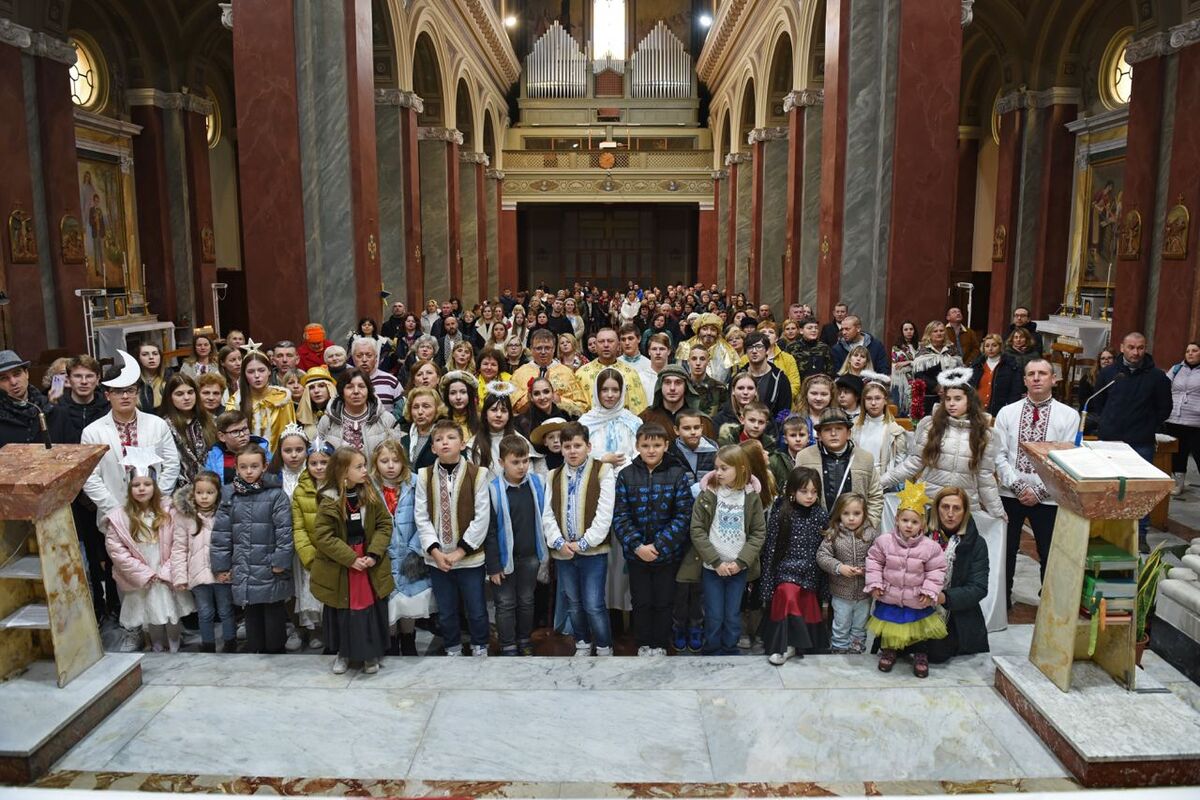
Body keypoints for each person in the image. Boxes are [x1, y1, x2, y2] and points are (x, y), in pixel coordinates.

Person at [993, 358, 1080, 608]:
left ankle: (1049, 604)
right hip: (1010, 494)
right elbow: (998, 454)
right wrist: (1019, 486)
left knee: (1050, 552)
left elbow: (1066, 458)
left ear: (1054, 379)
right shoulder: (1007, 412)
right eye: (1031, 374)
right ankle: (1002, 599)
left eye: (1043, 373)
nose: (1037, 378)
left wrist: (1041, 491)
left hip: (1049, 498)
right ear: (1024, 380)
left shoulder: (1068, 415)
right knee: (1006, 551)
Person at [308, 446, 393, 674]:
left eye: (364, 465)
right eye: (359, 467)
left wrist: (373, 554)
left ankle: (369, 654)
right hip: (343, 564)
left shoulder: (371, 493)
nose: (365, 470)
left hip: (368, 560)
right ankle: (343, 653)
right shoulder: (329, 500)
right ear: (343, 472)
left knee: (368, 610)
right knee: (344, 611)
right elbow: (324, 536)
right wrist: (350, 558)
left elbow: (385, 524)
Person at [612, 422, 695, 656]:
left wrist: (659, 546)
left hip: (667, 555)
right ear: (637, 446)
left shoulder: (676, 473)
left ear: (666, 446)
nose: (651, 450)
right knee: (641, 601)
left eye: (657, 445)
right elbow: (621, 516)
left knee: (664, 602)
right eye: (646, 445)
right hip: (637, 555)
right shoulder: (626, 475)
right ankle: (643, 643)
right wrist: (638, 546)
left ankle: (659, 643)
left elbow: (683, 515)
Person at [882, 369, 1005, 519]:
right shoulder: (931, 426)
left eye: (958, 399)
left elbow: (985, 478)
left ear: (970, 401)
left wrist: (997, 511)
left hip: (962, 506)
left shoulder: (984, 434)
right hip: (928, 502)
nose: (951, 403)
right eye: (947, 399)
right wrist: (881, 482)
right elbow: (913, 463)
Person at [415, 418, 492, 657]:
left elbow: (482, 517)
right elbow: (421, 516)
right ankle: (452, 648)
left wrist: (460, 551)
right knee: (446, 609)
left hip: (469, 558)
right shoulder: (423, 475)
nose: (445, 442)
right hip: (438, 560)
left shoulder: (477, 474)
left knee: (476, 608)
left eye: (451, 438)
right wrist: (436, 552)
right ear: (433, 448)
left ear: (462, 444)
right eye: (438, 440)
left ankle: (480, 646)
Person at [105, 448, 194, 652]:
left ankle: (174, 647)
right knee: (151, 612)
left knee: (170, 610)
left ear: (155, 486)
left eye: (147, 484)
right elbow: (117, 551)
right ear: (129, 488)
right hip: (143, 573)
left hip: (165, 570)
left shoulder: (169, 511)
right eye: (136, 485)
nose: (142, 489)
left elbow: (179, 543)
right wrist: (145, 574)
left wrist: (167, 570)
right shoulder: (119, 517)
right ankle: (156, 648)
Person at [82, 351, 181, 534]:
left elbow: (172, 464)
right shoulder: (92, 433)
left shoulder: (157, 424)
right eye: (118, 392)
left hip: (156, 512)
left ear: (138, 392)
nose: (125, 396)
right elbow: (90, 477)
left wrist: (156, 500)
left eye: (130, 390)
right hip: (114, 513)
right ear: (107, 395)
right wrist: (115, 510)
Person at [1090, 332, 1172, 549]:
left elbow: (1165, 408)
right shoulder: (1109, 373)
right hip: (1109, 440)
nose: (1136, 352)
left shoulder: (1157, 377)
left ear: (1145, 348)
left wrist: (1148, 424)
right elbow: (1099, 403)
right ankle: (1103, 529)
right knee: (1107, 487)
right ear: (1122, 347)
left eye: (1140, 347)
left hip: (1140, 442)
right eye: (1132, 347)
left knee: (1140, 490)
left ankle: (1140, 534)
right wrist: (1109, 422)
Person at [682, 444, 766, 655]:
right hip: (713, 568)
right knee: (714, 613)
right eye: (717, 467)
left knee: (732, 613)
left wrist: (740, 563)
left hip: (739, 569)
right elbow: (697, 530)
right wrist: (716, 562)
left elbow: (758, 533)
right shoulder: (708, 494)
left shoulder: (751, 497)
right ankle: (711, 650)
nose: (717, 472)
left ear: (741, 469)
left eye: (724, 468)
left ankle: (730, 649)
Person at [211, 443, 294, 654]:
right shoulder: (230, 496)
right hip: (243, 566)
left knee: (273, 610)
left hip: (269, 567)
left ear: (264, 466)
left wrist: (280, 561)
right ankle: (255, 649)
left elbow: (285, 532)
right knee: (251, 612)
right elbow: (221, 535)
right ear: (236, 468)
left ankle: (276, 651)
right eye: (244, 467)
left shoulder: (276, 495)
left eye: (254, 466)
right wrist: (221, 566)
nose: (249, 472)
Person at [545, 422, 616, 657]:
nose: (573, 451)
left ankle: (604, 646)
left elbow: (605, 514)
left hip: (593, 552)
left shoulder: (602, 471)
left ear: (588, 446)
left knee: (594, 603)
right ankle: (583, 642)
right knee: (573, 602)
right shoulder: (553, 476)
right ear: (561, 449)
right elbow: (547, 514)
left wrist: (584, 543)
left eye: (578, 445)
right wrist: (558, 542)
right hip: (563, 551)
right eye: (567, 446)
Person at [864, 480, 948, 678]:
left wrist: (930, 590)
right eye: (905, 520)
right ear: (897, 520)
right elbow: (874, 561)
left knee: (919, 631)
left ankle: (920, 654)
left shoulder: (930, 547)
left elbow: (936, 570)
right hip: (890, 596)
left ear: (923, 524)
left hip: (916, 599)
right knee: (890, 628)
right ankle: (889, 650)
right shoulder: (884, 542)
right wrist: (875, 582)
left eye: (914, 522)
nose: (909, 525)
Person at [484, 435, 556, 656]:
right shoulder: (494, 489)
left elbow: (545, 516)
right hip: (504, 559)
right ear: (501, 462)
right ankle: (508, 645)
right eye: (515, 462)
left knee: (526, 601)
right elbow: (490, 530)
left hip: (530, 557)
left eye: (525, 461)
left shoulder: (537, 483)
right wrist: (494, 566)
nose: (522, 466)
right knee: (505, 603)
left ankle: (524, 640)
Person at [757, 467, 830, 664]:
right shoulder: (782, 513)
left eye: (814, 492)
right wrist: (766, 588)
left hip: (810, 572)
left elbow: (824, 552)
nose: (809, 496)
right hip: (785, 570)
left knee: (804, 598)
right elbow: (771, 551)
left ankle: (800, 644)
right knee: (787, 595)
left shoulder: (821, 516)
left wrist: (824, 593)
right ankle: (784, 646)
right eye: (804, 491)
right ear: (792, 491)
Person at [920, 486, 992, 664]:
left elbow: (978, 588)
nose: (950, 514)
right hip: (915, 604)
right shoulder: (919, 533)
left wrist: (944, 597)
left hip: (952, 611)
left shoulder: (976, 543)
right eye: (945, 507)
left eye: (956, 508)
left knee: (937, 654)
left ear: (965, 512)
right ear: (936, 508)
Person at [171, 471, 234, 653]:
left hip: (221, 573)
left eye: (209, 492)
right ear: (193, 493)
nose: (204, 497)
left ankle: (230, 642)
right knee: (205, 612)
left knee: (225, 610)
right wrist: (180, 577)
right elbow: (179, 549)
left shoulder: (224, 515)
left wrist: (232, 570)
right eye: (200, 493)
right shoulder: (185, 517)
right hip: (197, 574)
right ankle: (208, 645)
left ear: (218, 493)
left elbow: (233, 544)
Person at [794, 408, 884, 528]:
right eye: (827, 429)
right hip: (814, 530)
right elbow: (794, 492)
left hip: (855, 531)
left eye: (839, 429)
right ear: (819, 435)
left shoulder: (865, 458)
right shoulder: (804, 457)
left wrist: (868, 526)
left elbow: (875, 495)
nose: (833, 434)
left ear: (848, 433)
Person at [816, 491, 879, 654]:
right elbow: (822, 556)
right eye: (846, 513)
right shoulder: (833, 534)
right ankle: (839, 647)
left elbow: (879, 558)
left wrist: (867, 570)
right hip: (840, 592)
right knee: (841, 623)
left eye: (856, 513)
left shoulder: (871, 534)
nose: (851, 518)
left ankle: (856, 648)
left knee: (860, 624)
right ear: (839, 514)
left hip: (864, 593)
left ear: (864, 513)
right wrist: (839, 567)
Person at [290, 435, 334, 653]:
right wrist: (309, 556)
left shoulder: (341, 487)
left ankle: (333, 632)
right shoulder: (300, 491)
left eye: (324, 462)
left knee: (333, 598)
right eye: (314, 463)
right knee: (312, 595)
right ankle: (315, 630)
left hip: (335, 556)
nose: (318, 467)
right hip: (312, 556)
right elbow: (298, 528)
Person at [317, 368, 398, 459]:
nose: (356, 391)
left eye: (361, 386)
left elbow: (396, 456)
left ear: (369, 390)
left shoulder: (386, 419)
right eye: (349, 387)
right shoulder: (327, 421)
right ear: (341, 392)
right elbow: (318, 456)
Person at [510, 329, 589, 417]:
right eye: (539, 348)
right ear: (531, 349)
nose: (543, 352)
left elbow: (582, 407)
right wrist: (530, 397)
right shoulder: (520, 373)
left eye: (547, 348)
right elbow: (512, 407)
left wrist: (559, 401)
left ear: (554, 349)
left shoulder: (566, 373)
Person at [230, 349, 296, 453]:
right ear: (244, 374)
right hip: (247, 462)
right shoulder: (236, 401)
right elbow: (231, 439)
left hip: (278, 462)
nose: (257, 376)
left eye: (261, 370)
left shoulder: (282, 398)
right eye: (251, 372)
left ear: (269, 371)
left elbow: (290, 434)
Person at [579, 368, 643, 472]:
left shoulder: (633, 422)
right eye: (604, 390)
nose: (610, 395)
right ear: (597, 391)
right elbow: (576, 456)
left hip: (628, 481)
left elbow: (641, 454)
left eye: (615, 390)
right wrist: (601, 460)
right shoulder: (584, 423)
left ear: (622, 392)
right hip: (595, 481)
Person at [159, 373, 216, 487]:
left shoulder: (210, 420)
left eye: (190, 392)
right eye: (179, 394)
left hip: (211, 486)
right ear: (170, 397)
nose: (187, 398)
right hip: (179, 490)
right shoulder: (163, 426)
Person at [576, 328, 649, 415]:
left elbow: (641, 410)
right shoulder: (581, 374)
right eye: (601, 341)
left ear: (618, 345)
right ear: (596, 345)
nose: (606, 345)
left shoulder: (630, 373)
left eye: (610, 341)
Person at [852, 373, 909, 479]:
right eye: (869, 399)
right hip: (857, 477)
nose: (873, 403)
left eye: (878, 398)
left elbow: (899, 463)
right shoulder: (854, 426)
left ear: (885, 400)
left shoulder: (895, 430)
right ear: (863, 401)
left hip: (884, 480)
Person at [0, 350, 55, 447]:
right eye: (4, 378)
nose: (13, 382)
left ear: (27, 374)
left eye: (17, 374)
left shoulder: (50, 408)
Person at [1166, 341, 1200, 496]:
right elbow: (1165, 387)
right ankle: (1178, 484)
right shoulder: (1176, 369)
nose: (1190, 353)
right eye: (1188, 351)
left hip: (1196, 421)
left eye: (1194, 350)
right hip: (1175, 417)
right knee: (1178, 453)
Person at [910, 321, 963, 419]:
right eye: (935, 331)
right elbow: (919, 374)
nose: (939, 333)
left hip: (950, 394)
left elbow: (959, 371)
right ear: (929, 334)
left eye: (941, 331)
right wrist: (937, 387)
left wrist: (949, 386)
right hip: (929, 396)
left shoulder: (952, 349)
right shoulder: (923, 350)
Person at [204, 410, 271, 484]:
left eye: (245, 429)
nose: (242, 434)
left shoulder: (263, 452)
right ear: (222, 436)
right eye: (235, 432)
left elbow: (274, 480)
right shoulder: (213, 458)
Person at [738, 332, 792, 422]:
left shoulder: (780, 378)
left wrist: (774, 429)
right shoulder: (738, 378)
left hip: (771, 430)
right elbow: (732, 408)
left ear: (767, 350)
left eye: (759, 347)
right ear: (746, 352)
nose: (754, 351)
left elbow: (784, 410)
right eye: (750, 347)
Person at [674, 313, 738, 384]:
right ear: (698, 331)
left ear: (717, 333)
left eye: (713, 329)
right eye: (704, 329)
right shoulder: (686, 347)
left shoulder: (727, 350)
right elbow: (680, 372)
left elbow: (732, 376)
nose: (709, 333)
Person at [970, 334, 1022, 415]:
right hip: (978, 410)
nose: (990, 349)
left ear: (1000, 346)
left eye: (994, 345)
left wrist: (1009, 408)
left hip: (1000, 411)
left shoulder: (1011, 365)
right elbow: (971, 387)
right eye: (987, 346)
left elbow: (1016, 390)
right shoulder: (977, 365)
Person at [350, 336, 400, 414]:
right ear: (353, 358)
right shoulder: (346, 382)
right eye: (359, 356)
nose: (364, 360)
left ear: (376, 357)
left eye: (369, 355)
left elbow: (402, 411)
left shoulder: (391, 381)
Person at [400, 386, 442, 470]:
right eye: (415, 407)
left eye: (426, 406)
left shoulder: (443, 437)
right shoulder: (402, 438)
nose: (420, 412)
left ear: (437, 409)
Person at [686, 343, 728, 420]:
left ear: (708, 361)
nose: (698, 363)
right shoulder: (682, 386)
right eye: (694, 359)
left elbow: (723, 417)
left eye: (702, 359)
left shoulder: (719, 388)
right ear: (688, 361)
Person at [795, 374, 835, 448]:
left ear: (831, 396)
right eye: (814, 393)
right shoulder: (794, 419)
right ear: (806, 395)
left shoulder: (838, 419)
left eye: (824, 394)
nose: (818, 398)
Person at [297, 366, 335, 439]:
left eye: (321, 386)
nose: (316, 391)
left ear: (329, 388)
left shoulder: (340, 412)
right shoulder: (301, 416)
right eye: (311, 387)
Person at [891, 320, 920, 415]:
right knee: (899, 409)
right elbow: (897, 367)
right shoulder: (897, 347)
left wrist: (907, 362)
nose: (909, 331)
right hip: (899, 382)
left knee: (914, 410)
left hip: (916, 381)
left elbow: (922, 365)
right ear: (902, 332)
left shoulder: (920, 347)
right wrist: (913, 364)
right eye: (906, 329)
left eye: (911, 329)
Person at [135, 341, 170, 413]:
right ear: (138, 358)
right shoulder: (134, 381)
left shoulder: (169, 377)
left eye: (155, 354)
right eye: (145, 354)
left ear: (160, 357)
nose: (151, 357)